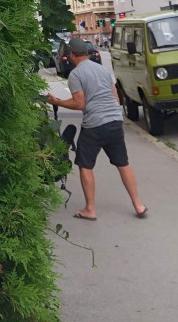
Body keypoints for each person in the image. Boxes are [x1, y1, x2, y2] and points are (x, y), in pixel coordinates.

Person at [47, 37, 147, 221]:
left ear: (72, 54)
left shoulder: (76, 75)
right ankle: (138, 205)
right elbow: (116, 98)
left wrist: (57, 102)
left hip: (94, 125)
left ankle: (90, 209)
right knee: (122, 163)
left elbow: (79, 103)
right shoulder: (102, 69)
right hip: (115, 121)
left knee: (85, 164)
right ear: (86, 52)